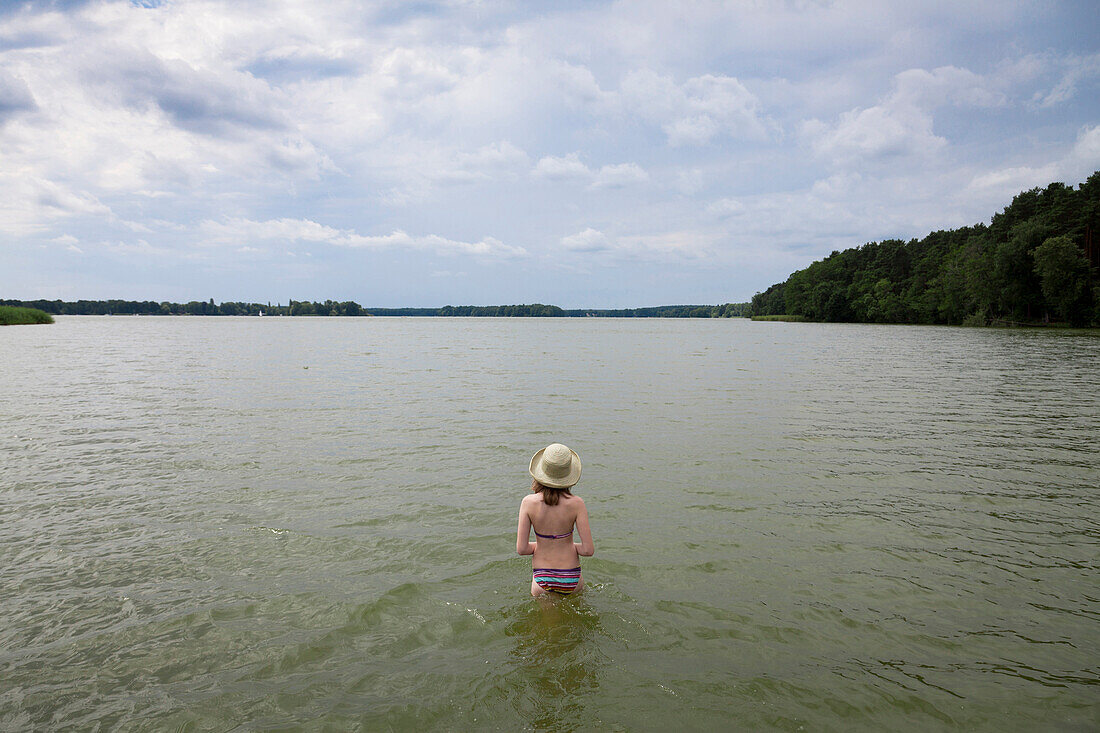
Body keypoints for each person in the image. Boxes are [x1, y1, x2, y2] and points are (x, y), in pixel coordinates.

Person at [516, 443, 594, 597]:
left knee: (546, 622)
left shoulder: (528, 503)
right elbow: (588, 550)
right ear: (569, 474)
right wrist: (565, 544)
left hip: (542, 578)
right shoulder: (577, 503)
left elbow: (522, 549)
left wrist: (545, 543)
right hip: (572, 578)